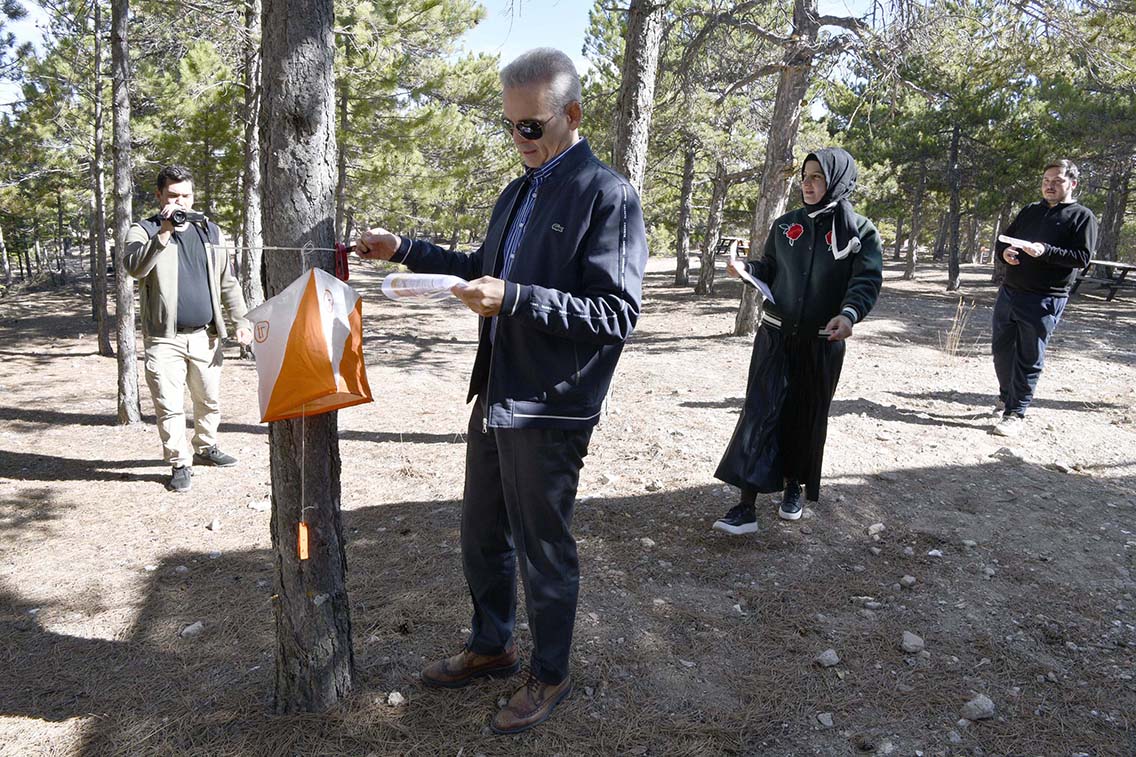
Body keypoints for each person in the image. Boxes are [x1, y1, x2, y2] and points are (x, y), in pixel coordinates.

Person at [355, 48, 648, 735]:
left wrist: (515, 297)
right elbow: (480, 267)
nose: (519, 140)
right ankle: (492, 643)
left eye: (532, 126)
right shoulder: (519, 191)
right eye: (510, 125)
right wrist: (405, 249)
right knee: (481, 532)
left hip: (552, 404)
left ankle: (549, 672)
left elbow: (615, 314)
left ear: (572, 116)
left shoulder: (606, 196)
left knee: (543, 545)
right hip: (498, 392)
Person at [712, 148, 882, 535]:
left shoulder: (860, 232)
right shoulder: (786, 225)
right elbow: (770, 268)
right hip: (775, 336)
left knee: (805, 415)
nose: (807, 184)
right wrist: (747, 269)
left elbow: (866, 281)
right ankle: (745, 505)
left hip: (822, 340)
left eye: (817, 177)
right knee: (760, 411)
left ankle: (793, 486)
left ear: (837, 181)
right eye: (805, 176)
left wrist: (849, 314)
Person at [123, 165, 251, 493]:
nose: (181, 203)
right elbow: (134, 267)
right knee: (169, 404)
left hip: (205, 336)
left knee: (208, 400)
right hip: (164, 338)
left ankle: (206, 447)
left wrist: (241, 321)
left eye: (186, 196)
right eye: (173, 196)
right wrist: (164, 232)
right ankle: (180, 462)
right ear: (159, 196)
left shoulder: (209, 230)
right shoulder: (144, 229)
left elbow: (228, 281)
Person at [991, 159, 1097, 437]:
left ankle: (1016, 413)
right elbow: (1003, 240)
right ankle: (1006, 397)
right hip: (1010, 292)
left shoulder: (1082, 216)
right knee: (1002, 352)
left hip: (1045, 299)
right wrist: (1005, 253)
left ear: (1072, 184)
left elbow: (1082, 258)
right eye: (1046, 180)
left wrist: (1046, 250)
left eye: (1057, 181)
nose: (1050, 186)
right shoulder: (1030, 211)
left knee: (1029, 356)